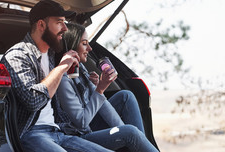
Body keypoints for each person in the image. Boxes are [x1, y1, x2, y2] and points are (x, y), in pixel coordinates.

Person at [1, 0, 111, 152]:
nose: (65, 28)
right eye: (59, 22)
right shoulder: (18, 56)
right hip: (31, 134)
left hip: (58, 132)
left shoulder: (52, 55)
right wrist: (61, 67)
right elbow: (33, 101)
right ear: (41, 25)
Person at [55, 22, 159, 152]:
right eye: (84, 43)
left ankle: (139, 145)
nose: (90, 49)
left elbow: (100, 106)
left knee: (126, 96)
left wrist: (97, 88)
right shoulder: (63, 79)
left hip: (90, 124)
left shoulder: (80, 69)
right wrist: (100, 89)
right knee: (130, 132)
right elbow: (81, 123)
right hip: (77, 135)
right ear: (72, 45)